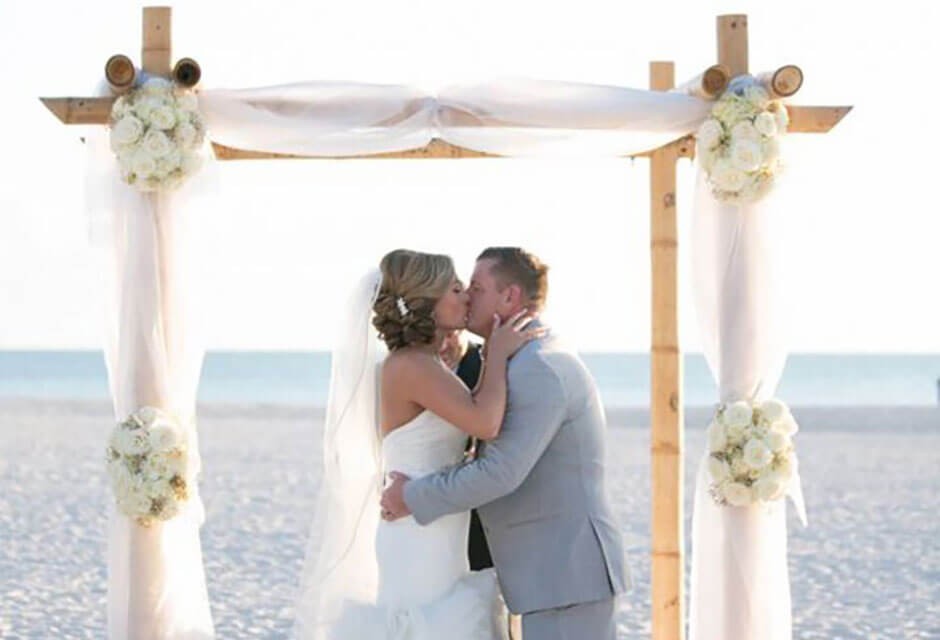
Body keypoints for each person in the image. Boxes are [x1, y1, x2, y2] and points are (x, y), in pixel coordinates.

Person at [381, 247, 631, 640]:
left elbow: (499, 472)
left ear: (510, 297)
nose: (466, 297)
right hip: (550, 576)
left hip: (565, 576)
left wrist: (411, 496)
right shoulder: (523, 358)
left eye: (476, 287)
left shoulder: (537, 367)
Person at [294, 249, 541, 639]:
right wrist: (497, 353)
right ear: (427, 301)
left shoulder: (422, 364)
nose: (466, 297)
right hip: (419, 530)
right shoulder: (411, 366)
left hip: (434, 521)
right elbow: (485, 421)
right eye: (456, 288)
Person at [439, 329, 494, 573]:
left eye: (451, 334)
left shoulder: (488, 363)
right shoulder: (406, 366)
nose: (443, 344)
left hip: (477, 516)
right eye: (435, 333)